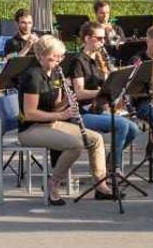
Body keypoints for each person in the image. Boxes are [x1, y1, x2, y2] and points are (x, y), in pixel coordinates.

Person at [16, 35, 115, 205]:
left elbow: (55, 106)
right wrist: (62, 115)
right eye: (54, 56)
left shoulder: (55, 73)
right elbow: (30, 113)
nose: (59, 60)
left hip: (51, 122)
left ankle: (101, 185)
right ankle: (53, 184)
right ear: (41, 55)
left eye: (61, 56)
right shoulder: (33, 76)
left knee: (95, 139)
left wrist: (68, 102)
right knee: (75, 145)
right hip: (31, 128)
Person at [69, 22, 142, 169]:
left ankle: (111, 160)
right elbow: (79, 93)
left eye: (104, 38)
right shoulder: (78, 61)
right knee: (121, 125)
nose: (104, 42)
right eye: (100, 38)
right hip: (83, 113)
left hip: (99, 109)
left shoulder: (98, 59)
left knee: (134, 129)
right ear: (87, 38)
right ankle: (114, 170)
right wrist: (104, 91)